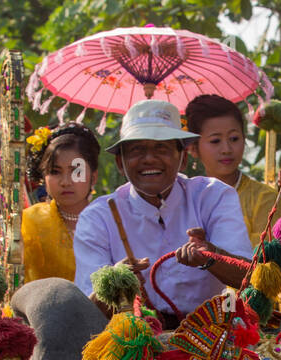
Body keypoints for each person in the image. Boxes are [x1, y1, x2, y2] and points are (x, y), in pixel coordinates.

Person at [73, 99, 252, 327]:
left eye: (162, 148)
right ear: (121, 163)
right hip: (133, 344)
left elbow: (249, 278)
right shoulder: (98, 217)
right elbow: (87, 310)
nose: (149, 158)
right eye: (137, 149)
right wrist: (114, 283)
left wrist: (211, 256)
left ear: (183, 158)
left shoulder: (214, 196)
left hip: (210, 338)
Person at [184, 94, 279, 249]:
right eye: (215, 141)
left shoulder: (265, 199)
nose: (227, 149)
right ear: (193, 148)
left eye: (234, 138)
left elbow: (263, 263)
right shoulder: (185, 199)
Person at [22, 123, 100, 283]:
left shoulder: (109, 219)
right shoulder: (29, 221)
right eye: (55, 172)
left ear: (93, 176)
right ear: (44, 176)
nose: (66, 182)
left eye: (76, 171)